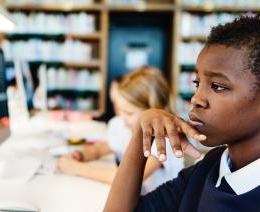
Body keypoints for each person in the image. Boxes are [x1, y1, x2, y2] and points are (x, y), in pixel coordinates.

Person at [101, 16, 260, 212]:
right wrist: (141, 132)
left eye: (218, 86)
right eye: (198, 83)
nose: (197, 99)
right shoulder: (209, 168)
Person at [57, 66, 184, 195]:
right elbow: (101, 149)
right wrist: (81, 155)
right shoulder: (122, 125)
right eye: (120, 109)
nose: (122, 117)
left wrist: (76, 168)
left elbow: (127, 180)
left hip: (159, 210)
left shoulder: (164, 140)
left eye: (129, 113)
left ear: (154, 111)